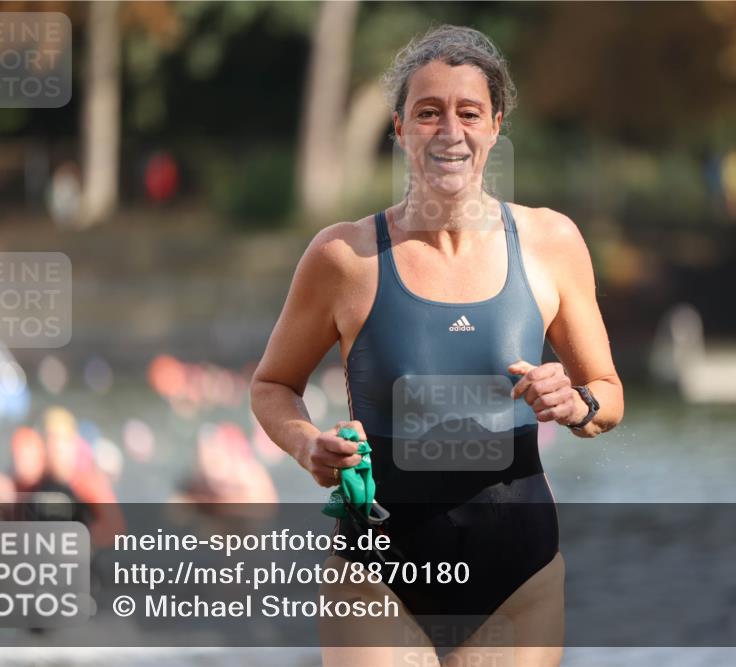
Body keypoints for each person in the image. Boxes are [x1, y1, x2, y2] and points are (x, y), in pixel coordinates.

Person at [250, 24, 623, 666]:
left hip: (519, 576)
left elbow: (608, 397)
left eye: (468, 113)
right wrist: (307, 444)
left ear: (495, 127)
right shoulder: (345, 257)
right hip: (375, 574)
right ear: (400, 128)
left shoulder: (551, 243)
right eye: (428, 113)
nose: (449, 131)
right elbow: (272, 386)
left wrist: (576, 404)